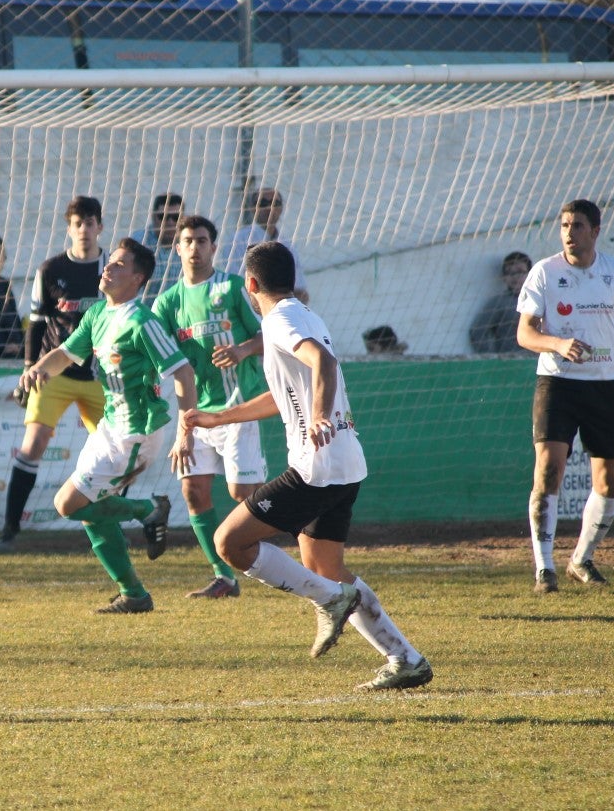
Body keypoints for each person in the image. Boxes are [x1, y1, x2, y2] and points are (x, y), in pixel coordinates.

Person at [185, 240, 433, 690]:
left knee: (230, 543)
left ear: (250, 284)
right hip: (342, 462)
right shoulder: (303, 315)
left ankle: (332, 602)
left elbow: (323, 361)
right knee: (325, 570)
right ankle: (405, 658)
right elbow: (286, 393)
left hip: (316, 468)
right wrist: (221, 417)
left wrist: (319, 414)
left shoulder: (280, 320)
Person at [20, 238, 196, 613]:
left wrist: (186, 432)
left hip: (137, 432)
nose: (107, 268)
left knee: (69, 504)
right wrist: (38, 368)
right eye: (109, 262)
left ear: (137, 278)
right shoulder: (98, 313)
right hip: (109, 427)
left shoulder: (142, 322)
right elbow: (65, 354)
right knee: (90, 512)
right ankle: (134, 594)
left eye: (118, 265)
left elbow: (183, 372)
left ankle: (148, 509)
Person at [516, 199, 614, 592]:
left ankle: (581, 559)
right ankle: (544, 569)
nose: (569, 233)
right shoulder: (544, 272)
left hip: (606, 384)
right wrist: (558, 344)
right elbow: (525, 333)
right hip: (557, 383)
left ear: (595, 231)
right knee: (548, 469)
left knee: (609, 481)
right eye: (564, 225)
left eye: (577, 226)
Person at [152, 215, 267, 599]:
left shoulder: (232, 288)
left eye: (202, 241)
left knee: (242, 494)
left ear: (213, 247)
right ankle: (224, 577)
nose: (195, 247)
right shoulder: (167, 303)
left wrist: (242, 350)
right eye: (188, 241)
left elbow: (270, 334)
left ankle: (292, 531)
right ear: (177, 248)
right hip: (196, 412)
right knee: (193, 491)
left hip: (238, 407)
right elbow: (160, 356)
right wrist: (181, 426)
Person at [0, 195, 108, 550]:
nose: (84, 229)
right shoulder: (50, 269)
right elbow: (36, 323)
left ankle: (111, 526)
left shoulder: (112, 269)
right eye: (77, 223)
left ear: (100, 227)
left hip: (101, 376)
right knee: (34, 443)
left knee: (114, 452)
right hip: (55, 373)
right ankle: (10, 529)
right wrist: (29, 370)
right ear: (69, 228)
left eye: (89, 223)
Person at [226, 187, 309, 304]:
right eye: (263, 203)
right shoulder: (238, 240)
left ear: (281, 208)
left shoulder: (287, 243)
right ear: (252, 208)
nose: (269, 208)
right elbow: (237, 283)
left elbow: (301, 290)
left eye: (275, 203)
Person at [469, 251, 532, 354]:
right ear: (504, 278)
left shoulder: (543, 299)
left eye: (520, 271)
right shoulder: (499, 303)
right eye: (509, 273)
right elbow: (477, 331)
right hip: (513, 360)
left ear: (531, 274)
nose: (515, 277)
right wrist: (491, 358)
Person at [129, 192, 184, 301]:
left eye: (176, 217)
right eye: (163, 216)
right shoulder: (139, 242)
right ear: (153, 217)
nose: (170, 222)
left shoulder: (187, 246)